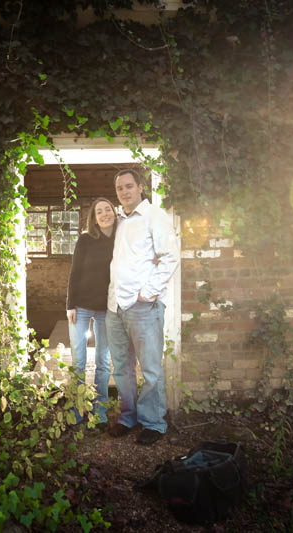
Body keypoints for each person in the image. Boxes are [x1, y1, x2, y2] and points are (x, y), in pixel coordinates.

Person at [106, 168, 179, 445]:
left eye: (128, 186)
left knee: (150, 369)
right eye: (119, 189)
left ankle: (153, 422)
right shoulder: (120, 220)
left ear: (140, 188)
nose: (124, 192)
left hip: (142, 307)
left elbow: (170, 257)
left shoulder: (154, 217)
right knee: (122, 368)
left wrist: (147, 293)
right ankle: (128, 416)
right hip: (115, 307)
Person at [65, 197, 117, 427]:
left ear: (114, 213)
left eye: (108, 209)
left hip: (107, 308)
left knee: (103, 362)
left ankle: (100, 412)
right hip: (82, 307)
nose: (105, 214)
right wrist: (69, 304)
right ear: (94, 218)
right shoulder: (85, 240)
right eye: (99, 211)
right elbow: (75, 272)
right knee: (79, 361)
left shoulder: (121, 239)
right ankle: (77, 411)